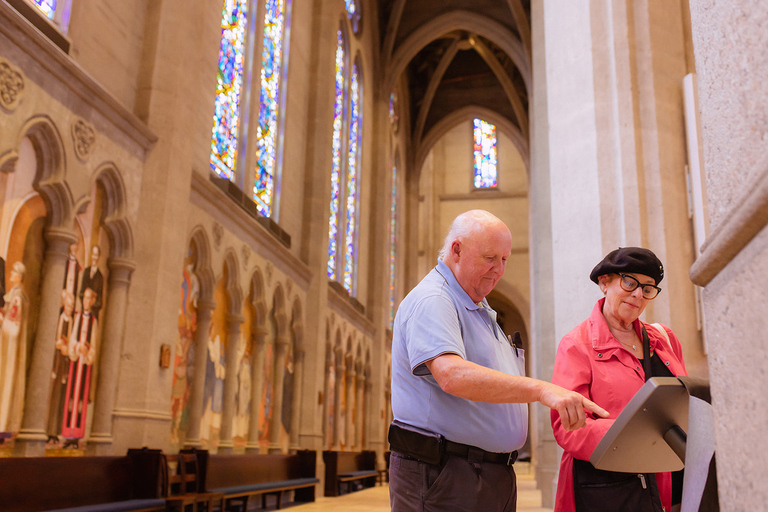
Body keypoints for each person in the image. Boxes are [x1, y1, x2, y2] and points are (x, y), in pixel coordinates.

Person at [389, 210, 608, 512]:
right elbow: (451, 374)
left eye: (504, 259)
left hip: (486, 474)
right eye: (490, 258)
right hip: (444, 475)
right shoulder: (434, 299)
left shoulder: (477, 306)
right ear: (456, 250)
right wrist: (542, 390)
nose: (499, 270)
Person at [550, 247, 688, 512]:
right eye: (629, 282)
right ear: (605, 282)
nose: (638, 294)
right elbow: (567, 427)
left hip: (668, 480)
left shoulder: (665, 338)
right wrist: (636, 438)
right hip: (608, 487)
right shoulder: (576, 345)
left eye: (648, 288)